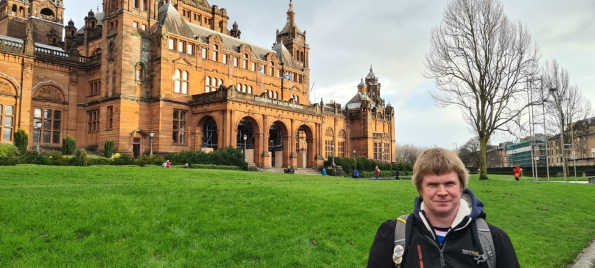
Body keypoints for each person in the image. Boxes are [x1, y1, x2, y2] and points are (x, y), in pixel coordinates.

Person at [367, 148, 520, 267]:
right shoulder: (392, 235)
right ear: (420, 189)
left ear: (461, 187)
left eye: (449, 184)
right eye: (432, 184)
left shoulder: (494, 240)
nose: (442, 192)